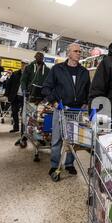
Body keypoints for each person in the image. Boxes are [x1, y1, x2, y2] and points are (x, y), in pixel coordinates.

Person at [42, 43, 90, 179]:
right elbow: (46, 88)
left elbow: (88, 91)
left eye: (80, 52)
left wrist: (86, 103)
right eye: (76, 51)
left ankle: (69, 164)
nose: (79, 54)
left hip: (76, 111)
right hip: (61, 110)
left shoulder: (84, 72)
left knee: (73, 139)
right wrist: (55, 102)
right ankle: (54, 165)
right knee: (57, 139)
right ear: (68, 53)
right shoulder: (57, 69)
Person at [5, 61, 28, 133]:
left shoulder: (29, 75)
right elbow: (9, 84)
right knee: (14, 112)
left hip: (24, 97)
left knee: (24, 114)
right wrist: (7, 94)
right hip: (15, 95)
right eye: (23, 64)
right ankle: (16, 128)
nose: (24, 66)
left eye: (25, 64)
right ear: (21, 65)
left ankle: (23, 130)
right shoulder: (15, 74)